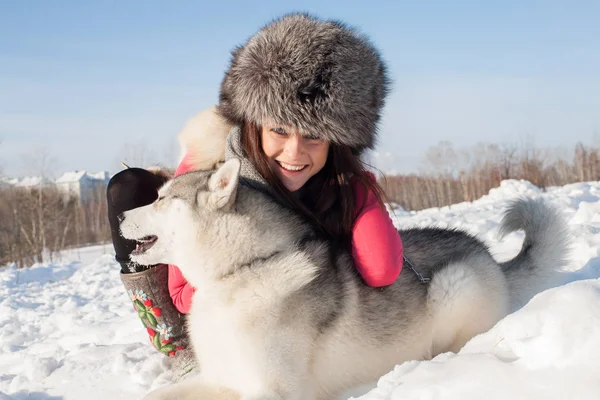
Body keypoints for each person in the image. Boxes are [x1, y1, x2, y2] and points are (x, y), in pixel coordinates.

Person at [106, 12, 404, 378]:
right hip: (204, 314)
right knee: (129, 188)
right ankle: (177, 344)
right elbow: (183, 296)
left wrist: (359, 186)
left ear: (338, 142)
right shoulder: (208, 168)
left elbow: (382, 269)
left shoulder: (342, 183)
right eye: (279, 130)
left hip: (295, 316)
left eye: (313, 136)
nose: (294, 152)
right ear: (254, 124)